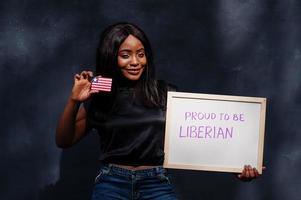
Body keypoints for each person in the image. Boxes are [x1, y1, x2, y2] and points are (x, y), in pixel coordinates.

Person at [56, 22, 262, 200]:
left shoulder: (165, 93)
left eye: (141, 54)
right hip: (112, 183)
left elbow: (200, 136)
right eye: (125, 55)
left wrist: (234, 165)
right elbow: (64, 140)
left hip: (155, 182)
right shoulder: (100, 93)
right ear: (111, 57)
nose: (135, 62)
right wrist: (74, 101)